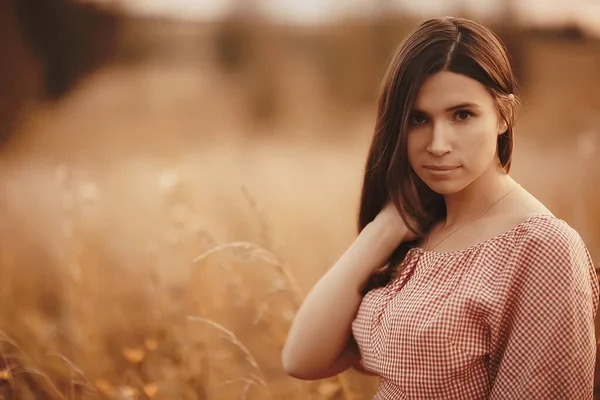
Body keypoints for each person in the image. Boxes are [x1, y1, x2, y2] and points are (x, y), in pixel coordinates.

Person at [281, 16, 600, 399]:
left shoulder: (543, 247)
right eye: (418, 119)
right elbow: (302, 359)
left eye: (462, 115)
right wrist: (382, 230)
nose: (437, 144)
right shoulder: (419, 228)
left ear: (503, 116)